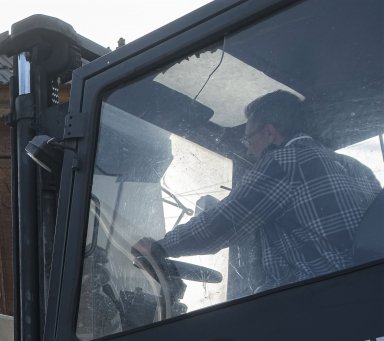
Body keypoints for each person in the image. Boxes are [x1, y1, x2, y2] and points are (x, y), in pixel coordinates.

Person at [135, 90, 379, 295]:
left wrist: (159, 248)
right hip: (366, 293)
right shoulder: (357, 168)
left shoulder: (284, 161)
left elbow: (224, 222)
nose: (249, 151)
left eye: (248, 139)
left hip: (320, 299)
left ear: (269, 133)